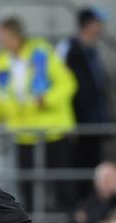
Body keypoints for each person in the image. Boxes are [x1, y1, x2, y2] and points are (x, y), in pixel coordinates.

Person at [0, 17, 77, 211]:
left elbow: (68, 83)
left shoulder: (42, 54)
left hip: (52, 131)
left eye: (5, 37)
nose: (2, 42)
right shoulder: (1, 62)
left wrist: (46, 99)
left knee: (60, 185)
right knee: (27, 186)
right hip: (22, 134)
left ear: (17, 36)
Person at [57, 7, 111, 187]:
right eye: (97, 23)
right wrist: (70, 120)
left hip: (95, 121)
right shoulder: (71, 49)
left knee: (94, 167)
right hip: (79, 123)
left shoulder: (92, 51)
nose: (100, 28)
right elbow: (66, 86)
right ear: (88, 25)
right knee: (79, 166)